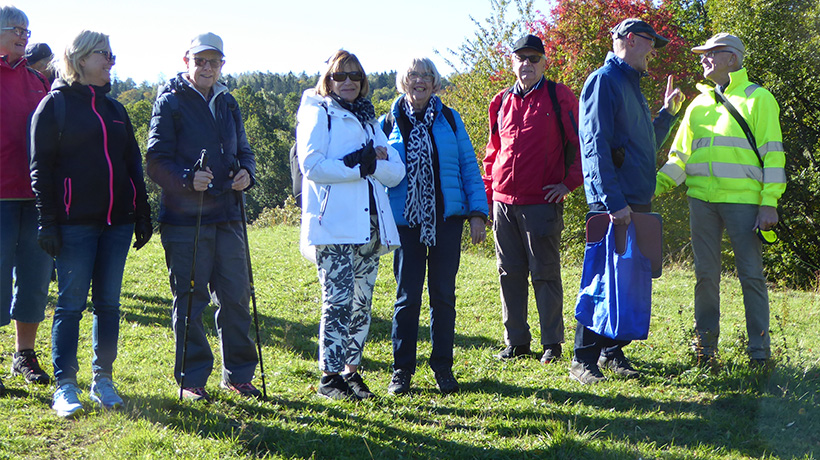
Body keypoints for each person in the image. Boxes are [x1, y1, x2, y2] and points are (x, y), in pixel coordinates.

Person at [30, 30, 152, 417]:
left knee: (108, 305)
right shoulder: (54, 106)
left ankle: (103, 380)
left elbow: (132, 164)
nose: (112, 61)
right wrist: (48, 222)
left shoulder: (116, 110)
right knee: (70, 305)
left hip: (118, 224)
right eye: (105, 54)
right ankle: (65, 385)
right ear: (81, 59)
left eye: (113, 54)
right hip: (73, 225)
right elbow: (40, 169)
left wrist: (142, 210)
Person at [655, 33, 785, 366]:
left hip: (745, 203)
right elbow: (679, 159)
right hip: (701, 202)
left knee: (751, 276)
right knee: (705, 276)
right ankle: (705, 351)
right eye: (703, 54)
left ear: (732, 58)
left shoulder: (759, 99)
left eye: (711, 53)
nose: (703, 59)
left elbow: (773, 156)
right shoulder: (697, 105)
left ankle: (759, 355)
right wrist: (650, 189)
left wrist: (769, 202)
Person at [146, 32, 261, 401]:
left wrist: (247, 173)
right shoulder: (170, 101)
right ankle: (192, 380)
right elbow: (155, 161)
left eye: (213, 61)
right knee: (190, 300)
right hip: (185, 220)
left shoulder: (228, 101)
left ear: (222, 64)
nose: (207, 67)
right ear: (187, 62)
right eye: (200, 61)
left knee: (236, 297)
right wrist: (186, 179)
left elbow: (245, 151)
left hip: (228, 214)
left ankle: (238, 375)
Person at [571, 18, 684, 384]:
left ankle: (611, 351)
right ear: (631, 40)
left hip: (634, 198)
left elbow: (643, 144)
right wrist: (612, 201)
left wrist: (667, 114)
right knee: (601, 278)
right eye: (651, 43)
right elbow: (594, 145)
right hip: (614, 202)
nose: (654, 51)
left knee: (626, 281)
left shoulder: (631, 84)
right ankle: (582, 360)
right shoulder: (603, 80)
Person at [296, 50, 404, 400]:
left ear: (363, 81)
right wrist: (360, 165)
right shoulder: (318, 112)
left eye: (355, 76)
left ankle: (351, 372)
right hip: (333, 224)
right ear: (327, 80)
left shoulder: (369, 119)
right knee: (337, 302)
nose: (348, 82)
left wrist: (370, 164)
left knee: (361, 303)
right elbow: (312, 165)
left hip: (369, 224)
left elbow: (395, 171)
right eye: (339, 76)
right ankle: (329, 377)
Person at [381, 58, 488, 396]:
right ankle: (402, 371)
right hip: (405, 224)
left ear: (435, 82)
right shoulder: (387, 122)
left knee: (443, 296)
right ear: (404, 81)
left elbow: (469, 167)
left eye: (426, 75)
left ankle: (443, 368)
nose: (420, 81)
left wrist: (478, 213)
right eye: (413, 75)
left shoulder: (450, 120)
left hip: (447, 221)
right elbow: (376, 172)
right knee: (407, 298)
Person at [483, 34, 582, 365]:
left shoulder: (559, 96)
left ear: (544, 63)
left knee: (545, 273)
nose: (527, 63)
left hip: (541, 203)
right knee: (509, 273)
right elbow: (492, 152)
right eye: (520, 58)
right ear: (512, 62)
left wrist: (568, 184)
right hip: (503, 203)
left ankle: (552, 343)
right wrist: (488, 196)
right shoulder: (500, 101)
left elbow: (582, 144)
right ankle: (517, 342)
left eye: (533, 58)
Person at [0, 5, 52, 396]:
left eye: (27, 31)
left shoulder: (39, 80)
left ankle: (25, 355)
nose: (23, 36)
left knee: (35, 281)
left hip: (35, 199)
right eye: (16, 29)